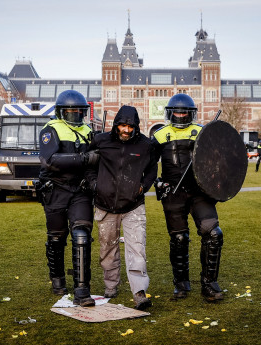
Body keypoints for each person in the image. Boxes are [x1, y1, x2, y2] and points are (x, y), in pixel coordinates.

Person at [152, 94, 224, 302]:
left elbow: (219, 160)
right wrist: (157, 183)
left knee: (214, 234)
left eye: (184, 112)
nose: (181, 115)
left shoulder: (203, 132)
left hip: (199, 193)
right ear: (170, 112)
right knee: (179, 239)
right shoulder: (159, 135)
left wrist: (217, 183)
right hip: (173, 194)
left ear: (191, 113)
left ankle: (209, 284)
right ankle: (181, 283)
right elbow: (146, 165)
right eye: (177, 111)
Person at [85, 105, 157, 310]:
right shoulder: (100, 141)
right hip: (104, 205)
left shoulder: (146, 145)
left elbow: (153, 169)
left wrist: (143, 187)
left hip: (133, 206)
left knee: (137, 248)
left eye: (130, 126)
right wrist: (94, 185)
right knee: (107, 248)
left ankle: (139, 292)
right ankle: (111, 286)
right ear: (116, 124)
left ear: (136, 127)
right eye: (123, 126)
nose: (126, 130)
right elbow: (89, 165)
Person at [38, 90, 99, 307]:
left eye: (78, 110)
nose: (74, 113)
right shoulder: (50, 130)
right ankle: (57, 280)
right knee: (56, 239)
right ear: (61, 111)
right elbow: (49, 160)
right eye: (70, 110)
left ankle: (82, 290)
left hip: (80, 191)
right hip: (55, 190)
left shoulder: (89, 130)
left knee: (82, 235)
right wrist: (83, 158)